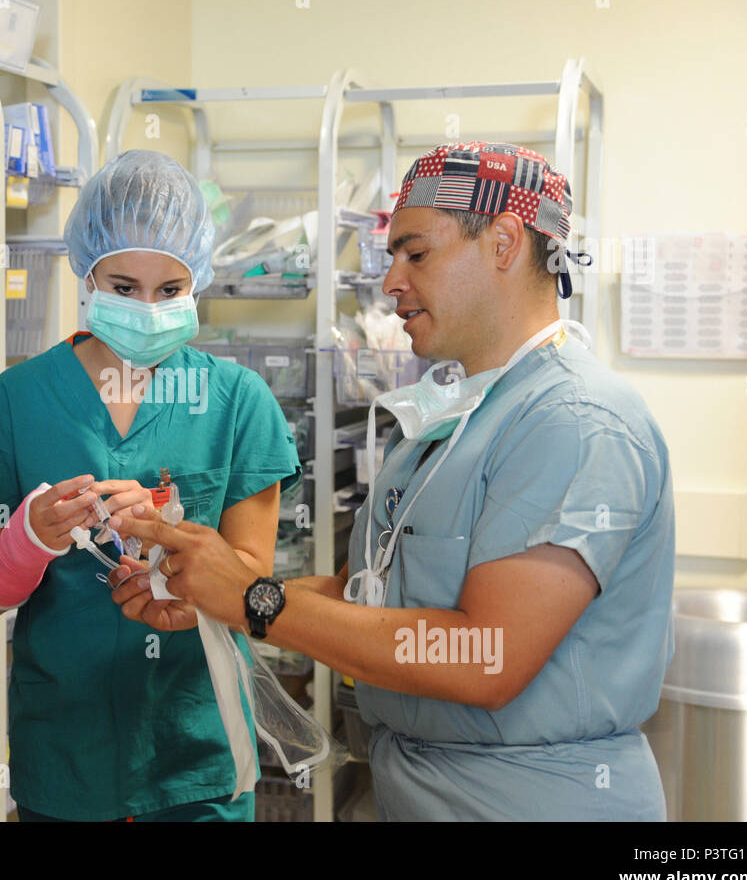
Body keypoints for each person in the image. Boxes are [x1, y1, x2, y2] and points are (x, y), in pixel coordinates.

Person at [108, 142, 676, 821]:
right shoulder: (453, 421)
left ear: (503, 241)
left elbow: (483, 656)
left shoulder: (576, 424)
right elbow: (364, 597)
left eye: (416, 253)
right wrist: (214, 592)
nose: (391, 284)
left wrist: (258, 599)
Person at [0, 149, 302, 822]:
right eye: (122, 286)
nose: (147, 309)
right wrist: (30, 535)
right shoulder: (17, 402)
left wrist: (172, 541)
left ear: (196, 278)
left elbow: (259, 595)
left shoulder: (237, 402)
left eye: (170, 290)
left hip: (195, 759)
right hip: (65, 757)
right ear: (87, 273)